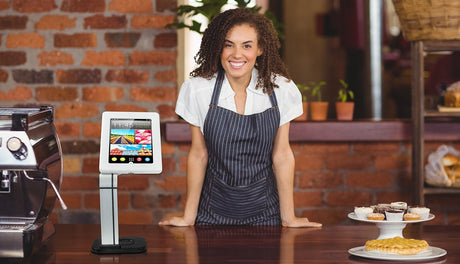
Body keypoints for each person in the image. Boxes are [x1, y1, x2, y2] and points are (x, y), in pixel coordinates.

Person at [159, 8, 321, 228]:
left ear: (260, 49)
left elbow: (281, 155)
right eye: (228, 45)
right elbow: (199, 154)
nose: (237, 54)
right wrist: (188, 217)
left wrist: (288, 218)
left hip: (267, 215)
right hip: (210, 216)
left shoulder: (281, 89)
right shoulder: (198, 89)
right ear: (219, 47)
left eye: (247, 45)